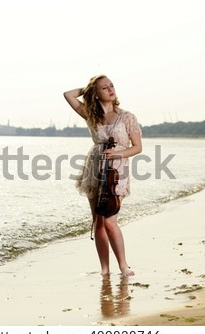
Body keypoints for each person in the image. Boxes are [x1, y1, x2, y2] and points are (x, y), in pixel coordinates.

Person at [63, 75, 142, 276]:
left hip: (117, 170)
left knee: (109, 220)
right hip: (95, 168)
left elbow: (138, 147)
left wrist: (118, 153)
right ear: (96, 94)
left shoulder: (127, 117)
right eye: (104, 88)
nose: (110, 89)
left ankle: (124, 266)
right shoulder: (91, 115)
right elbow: (68, 95)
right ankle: (104, 269)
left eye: (111, 86)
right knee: (97, 221)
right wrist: (89, 89)